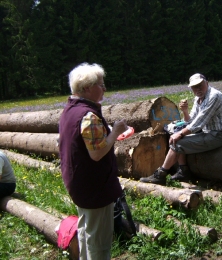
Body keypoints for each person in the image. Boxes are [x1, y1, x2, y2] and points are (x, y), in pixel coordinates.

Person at [59, 63, 128, 260]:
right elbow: (97, 154)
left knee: (85, 229)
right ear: (87, 88)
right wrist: (115, 132)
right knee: (99, 242)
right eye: (101, 84)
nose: (105, 88)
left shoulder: (69, 110)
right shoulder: (88, 116)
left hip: (78, 184)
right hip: (94, 188)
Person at [140, 73, 222, 185]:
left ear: (207, 83)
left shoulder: (214, 96)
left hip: (219, 135)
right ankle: (183, 171)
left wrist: (180, 134)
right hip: (208, 133)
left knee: (177, 143)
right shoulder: (198, 98)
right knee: (177, 135)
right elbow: (190, 121)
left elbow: (198, 123)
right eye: (195, 87)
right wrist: (184, 111)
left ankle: (160, 175)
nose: (198, 89)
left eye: (200, 85)